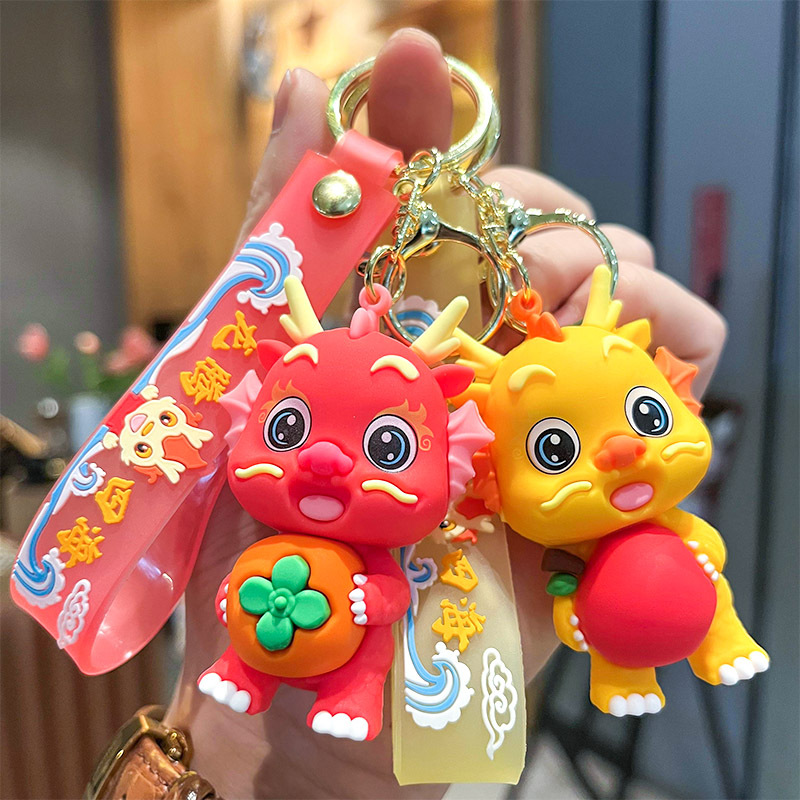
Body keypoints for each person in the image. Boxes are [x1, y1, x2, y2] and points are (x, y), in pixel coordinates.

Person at [162, 28, 726, 799]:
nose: (324, 459)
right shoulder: (280, 461)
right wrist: (252, 751)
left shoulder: (472, 475)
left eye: (389, 446)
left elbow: (391, 591)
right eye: (288, 429)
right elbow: (378, 589)